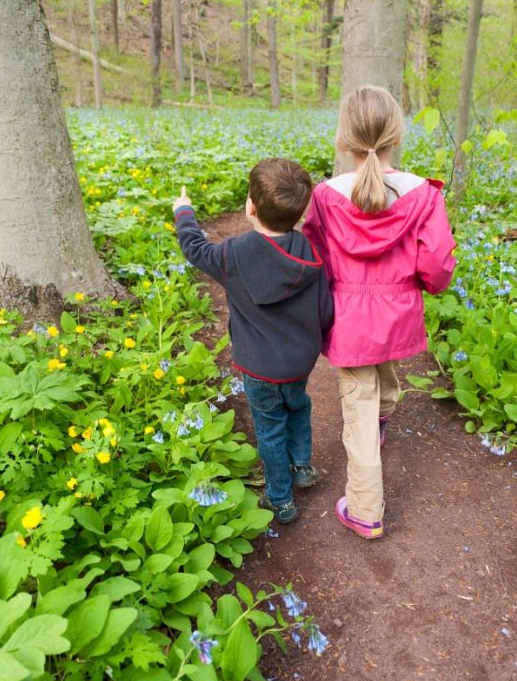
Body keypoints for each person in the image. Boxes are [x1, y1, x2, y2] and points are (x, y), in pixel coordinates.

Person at [302, 86, 456, 539]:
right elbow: (437, 264)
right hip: (397, 312)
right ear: (397, 136)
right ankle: (384, 416)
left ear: (343, 140)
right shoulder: (423, 194)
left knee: (359, 409)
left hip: (350, 320)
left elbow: (314, 260)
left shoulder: (326, 197)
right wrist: (424, 285)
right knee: (384, 370)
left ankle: (366, 511)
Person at [173, 158, 334, 525]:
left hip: (259, 369)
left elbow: (195, 250)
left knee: (269, 428)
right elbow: (325, 310)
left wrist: (184, 212)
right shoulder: (309, 252)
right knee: (298, 407)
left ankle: (280, 499)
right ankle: (301, 465)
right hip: (298, 362)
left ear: (251, 206)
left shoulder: (234, 254)